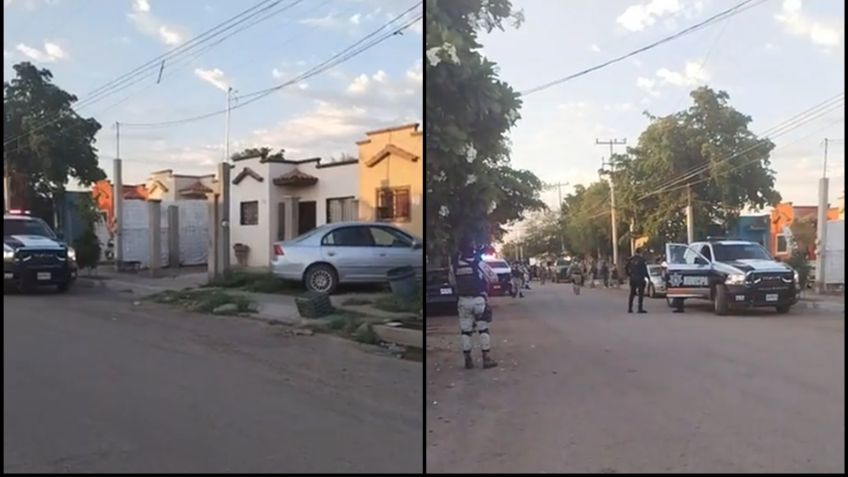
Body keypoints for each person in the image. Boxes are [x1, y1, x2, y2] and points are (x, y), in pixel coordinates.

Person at [451, 237, 498, 369]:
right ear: (473, 250)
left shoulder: (455, 265)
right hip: (479, 300)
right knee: (483, 329)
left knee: (466, 331)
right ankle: (486, 358)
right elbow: (494, 277)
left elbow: (452, 282)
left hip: (463, 301)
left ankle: (468, 359)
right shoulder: (478, 263)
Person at [625, 248, 650, 314]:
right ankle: (640, 309)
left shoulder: (631, 259)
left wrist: (629, 275)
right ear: (640, 252)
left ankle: (630, 308)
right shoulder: (642, 260)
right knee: (640, 294)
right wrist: (648, 277)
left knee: (632, 293)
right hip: (640, 278)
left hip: (633, 278)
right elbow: (644, 270)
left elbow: (626, 268)